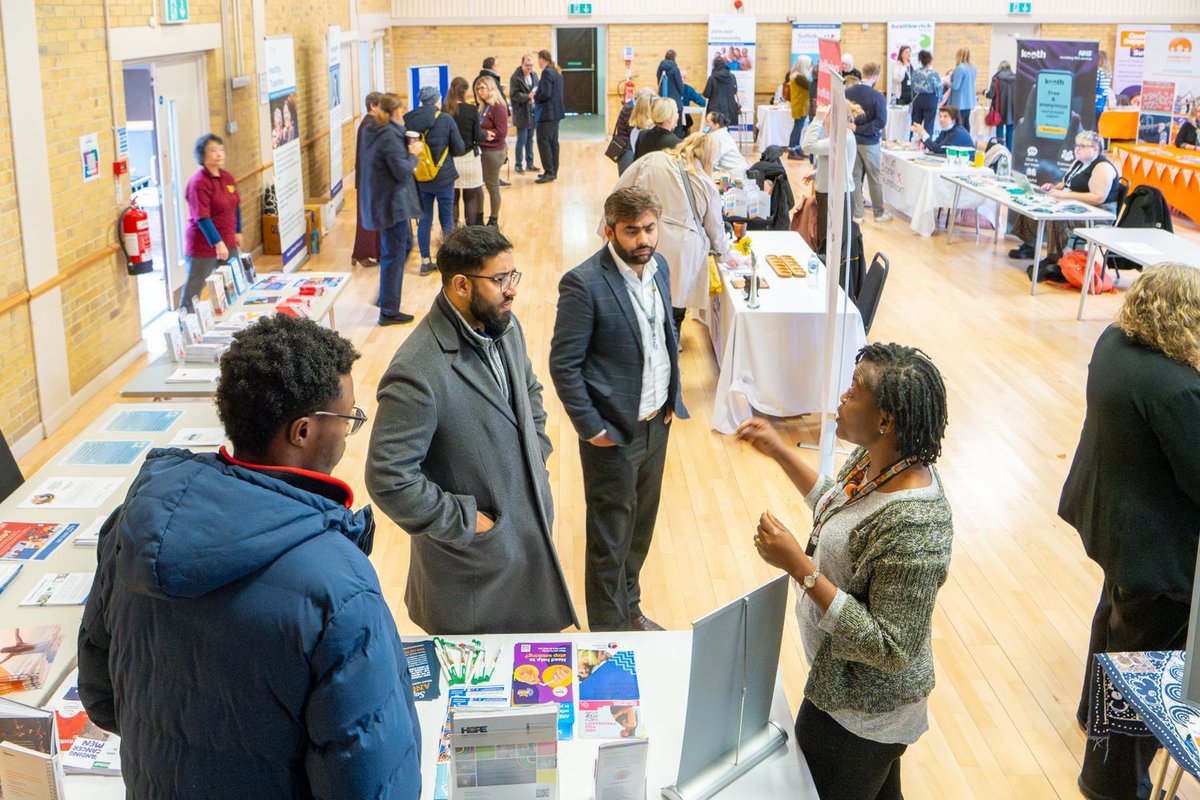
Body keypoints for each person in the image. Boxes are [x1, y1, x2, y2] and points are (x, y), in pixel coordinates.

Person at [79, 315, 421, 799]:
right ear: (302, 431)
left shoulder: (131, 526)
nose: (347, 435)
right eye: (346, 420)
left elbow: (101, 697)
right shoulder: (338, 587)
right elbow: (370, 783)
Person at [735, 342, 951, 800]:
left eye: (853, 392)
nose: (840, 399)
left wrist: (800, 567)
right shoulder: (880, 460)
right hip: (844, 691)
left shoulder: (916, 525)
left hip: (864, 714)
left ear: (885, 420)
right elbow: (840, 505)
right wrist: (779, 450)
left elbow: (891, 648)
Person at [366, 226, 577, 634]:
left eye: (513, 276)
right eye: (500, 280)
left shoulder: (504, 325)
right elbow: (388, 478)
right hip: (471, 581)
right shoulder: (416, 369)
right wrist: (467, 521)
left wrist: (537, 453)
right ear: (461, 285)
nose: (511, 289)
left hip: (525, 549)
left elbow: (529, 390)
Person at [1059, 264, 1200, 800]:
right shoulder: (1177, 389)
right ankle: (1110, 781)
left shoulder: (1114, 342)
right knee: (1144, 660)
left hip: (1110, 517)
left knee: (1114, 623)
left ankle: (1089, 714)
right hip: (1158, 549)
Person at [550, 186, 689, 633]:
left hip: (657, 425)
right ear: (610, 231)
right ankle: (610, 639)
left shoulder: (659, 266)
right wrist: (592, 428)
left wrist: (671, 399)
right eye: (632, 231)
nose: (643, 239)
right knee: (610, 540)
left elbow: (665, 335)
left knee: (640, 531)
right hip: (612, 434)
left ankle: (630, 609)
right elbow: (564, 364)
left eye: (650, 228)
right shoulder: (584, 283)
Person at [608, 134, 735, 331]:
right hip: (685, 246)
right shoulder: (705, 181)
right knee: (677, 298)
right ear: (709, 157)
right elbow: (715, 227)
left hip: (650, 237)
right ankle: (671, 343)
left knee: (647, 290)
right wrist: (725, 255)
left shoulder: (654, 161)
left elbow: (622, 191)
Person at [1009, 130, 1119, 280]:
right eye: (1076, 145)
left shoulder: (1102, 167)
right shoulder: (1079, 162)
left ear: (1096, 149)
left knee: (1056, 218)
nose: (1077, 149)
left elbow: (1098, 198)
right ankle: (1030, 245)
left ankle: (1054, 260)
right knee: (1034, 204)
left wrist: (1065, 195)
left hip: (1098, 214)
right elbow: (1067, 182)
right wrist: (1054, 187)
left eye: (1083, 146)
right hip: (1077, 206)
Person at [360, 93, 424, 325]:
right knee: (395, 251)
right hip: (391, 204)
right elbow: (401, 170)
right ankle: (388, 310)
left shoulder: (375, 131)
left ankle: (385, 297)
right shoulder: (388, 136)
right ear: (397, 111)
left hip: (387, 203)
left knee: (403, 246)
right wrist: (413, 154)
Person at [405, 85, 468, 274]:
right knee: (446, 218)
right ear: (436, 100)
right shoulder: (446, 119)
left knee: (424, 220)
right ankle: (447, 260)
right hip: (443, 177)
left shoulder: (409, 121)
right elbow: (459, 148)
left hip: (421, 177)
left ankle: (425, 261)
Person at [182, 133, 240, 311]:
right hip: (204, 244)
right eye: (213, 151)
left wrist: (238, 230)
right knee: (195, 286)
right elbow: (202, 217)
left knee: (233, 282)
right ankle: (186, 327)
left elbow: (235, 204)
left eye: (221, 150)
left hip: (227, 240)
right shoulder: (198, 183)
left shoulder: (227, 177)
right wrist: (217, 243)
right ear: (202, 156)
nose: (219, 154)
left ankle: (232, 319)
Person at [802, 101, 860, 251]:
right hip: (829, 194)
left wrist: (818, 118)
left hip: (836, 196)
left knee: (832, 247)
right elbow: (838, 164)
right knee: (825, 243)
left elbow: (807, 145)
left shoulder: (842, 138)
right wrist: (816, 173)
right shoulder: (841, 136)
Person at [845, 64, 892, 224]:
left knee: (855, 176)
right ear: (876, 76)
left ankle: (858, 214)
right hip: (870, 141)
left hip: (852, 140)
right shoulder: (877, 96)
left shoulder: (848, 92)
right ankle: (879, 213)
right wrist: (862, 128)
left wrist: (855, 128)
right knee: (874, 177)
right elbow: (881, 121)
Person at [446, 77, 484, 228]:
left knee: (453, 200)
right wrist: (486, 135)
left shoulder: (445, 110)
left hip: (450, 160)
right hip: (469, 159)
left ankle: (453, 236)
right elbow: (477, 136)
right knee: (470, 200)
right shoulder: (471, 109)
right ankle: (471, 236)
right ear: (465, 91)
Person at [352, 92, 383, 267]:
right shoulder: (367, 126)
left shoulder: (372, 124)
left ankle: (377, 251)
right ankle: (362, 254)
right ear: (373, 106)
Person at [475, 75, 508, 227]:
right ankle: (479, 214)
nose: (479, 91)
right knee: (481, 185)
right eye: (477, 88)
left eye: (482, 88)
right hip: (483, 150)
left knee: (492, 185)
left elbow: (502, 132)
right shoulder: (483, 106)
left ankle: (494, 219)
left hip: (494, 152)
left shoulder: (498, 106)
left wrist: (486, 134)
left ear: (490, 88)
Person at [534, 49, 564, 184]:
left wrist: (535, 97)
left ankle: (549, 172)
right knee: (553, 143)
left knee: (544, 142)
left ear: (542, 59)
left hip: (547, 114)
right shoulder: (557, 72)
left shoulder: (546, 72)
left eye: (538, 59)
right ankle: (553, 171)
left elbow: (545, 94)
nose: (538, 63)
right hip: (556, 114)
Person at [509, 53, 540, 174]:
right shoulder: (515, 78)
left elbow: (537, 89)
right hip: (521, 113)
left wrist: (535, 98)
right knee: (521, 139)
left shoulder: (534, 75)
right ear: (522, 64)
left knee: (530, 140)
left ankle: (530, 164)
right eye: (527, 65)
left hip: (532, 112)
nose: (529, 68)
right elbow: (514, 95)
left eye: (531, 65)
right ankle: (518, 165)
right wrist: (528, 97)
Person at [704, 111, 750, 179]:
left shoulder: (715, 136)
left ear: (716, 125)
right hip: (741, 170)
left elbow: (712, 162)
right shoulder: (722, 133)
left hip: (735, 174)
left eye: (707, 122)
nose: (704, 123)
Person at [984, 61, 1017, 153]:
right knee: (1010, 130)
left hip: (999, 109)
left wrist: (985, 92)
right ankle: (1009, 152)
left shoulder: (996, 78)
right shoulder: (1016, 78)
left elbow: (991, 94)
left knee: (999, 130)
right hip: (1012, 109)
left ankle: (1000, 151)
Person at [703, 55, 740, 131]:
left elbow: (706, 94)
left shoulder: (712, 77)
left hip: (714, 109)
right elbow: (735, 91)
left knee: (712, 130)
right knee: (725, 129)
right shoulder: (732, 76)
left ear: (714, 65)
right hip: (728, 108)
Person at [910, 50, 941, 138]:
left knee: (915, 124)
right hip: (930, 99)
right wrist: (940, 99)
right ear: (930, 60)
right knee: (929, 125)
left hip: (918, 98)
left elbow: (912, 87)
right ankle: (926, 145)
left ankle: (912, 143)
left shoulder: (915, 72)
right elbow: (939, 88)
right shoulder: (934, 74)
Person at [788, 56, 813, 160]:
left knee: (798, 127)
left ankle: (797, 148)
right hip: (800, 105)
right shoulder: (799, 77)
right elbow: (810, 86)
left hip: (800, 105)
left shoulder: (796, 76)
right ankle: (792, 150)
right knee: (797, 128)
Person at [656, 49, 685, 136]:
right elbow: (680, 87)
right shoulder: (675, 69)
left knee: (664, 127)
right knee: (677, 128)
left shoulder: (660, 68)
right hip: (675, 102)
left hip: (663, 102)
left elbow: (659, 82)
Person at [947, 48, 977, 128]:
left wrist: (948, 83)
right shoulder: (973, 68)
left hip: (959, 102)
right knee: (966, 123)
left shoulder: (960, 68)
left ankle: (960, 140)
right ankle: (966, 139)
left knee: (959, 124)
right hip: (969, 101)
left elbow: (956, 86)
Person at [1095, 51, 1112, 121]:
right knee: (1098, 120)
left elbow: (1095, 85)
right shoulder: (1109, 73)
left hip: (1096, 99)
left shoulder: (1098, 71)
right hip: (1103, 99)